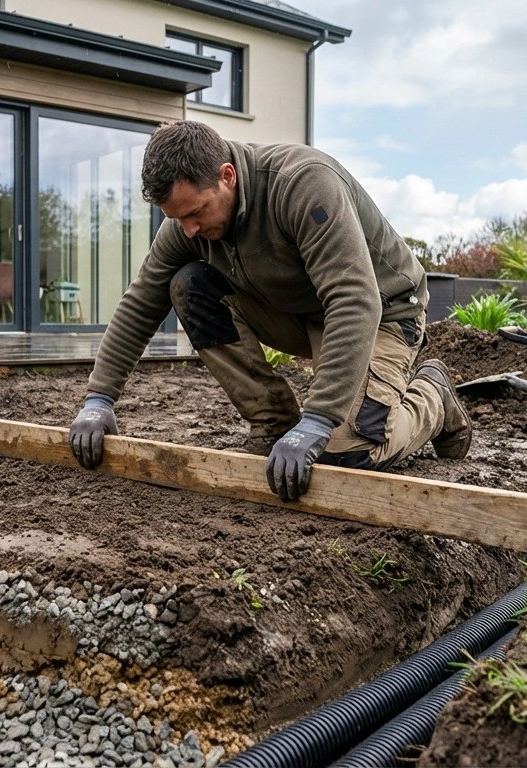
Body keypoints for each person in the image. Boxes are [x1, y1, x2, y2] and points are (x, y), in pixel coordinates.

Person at [68, 120, 471, 502]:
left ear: (227, 176)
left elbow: (354, 299)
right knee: (187, 285)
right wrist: (98, 399)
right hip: (298, 315)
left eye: (195, 213)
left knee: (348, 452)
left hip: (384, 314)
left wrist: (318, 420)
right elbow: (141, 301)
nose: (187, 229)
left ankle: (433, 396)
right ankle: (273, 420)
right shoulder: (187, 225)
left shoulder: (302, 184)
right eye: (176, 218)